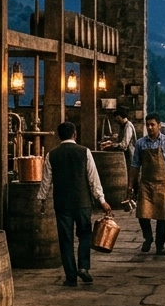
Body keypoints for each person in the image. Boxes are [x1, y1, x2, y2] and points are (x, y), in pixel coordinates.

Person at [38, 121, 111, 286]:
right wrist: (102, 200)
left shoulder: (52, 155)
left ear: (59, 136)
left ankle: (70, 276)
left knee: (66, 239)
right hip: (82, 202)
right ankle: (83, 267)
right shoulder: (84, 152)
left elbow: (46, 181)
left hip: (62, 203)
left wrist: (42, 199)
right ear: (75, 134)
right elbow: (93, 178)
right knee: (85, 235)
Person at [132, 113, 165, 255]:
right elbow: (135, 165)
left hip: (162, 185)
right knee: (142, 214)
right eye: (147, 124)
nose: (149, 127)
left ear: (159, 126)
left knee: (162, 217)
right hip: (146, 184)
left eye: (152, 124)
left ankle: (160, 245)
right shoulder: (140, 143)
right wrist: (130, 185)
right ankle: (148, 238)